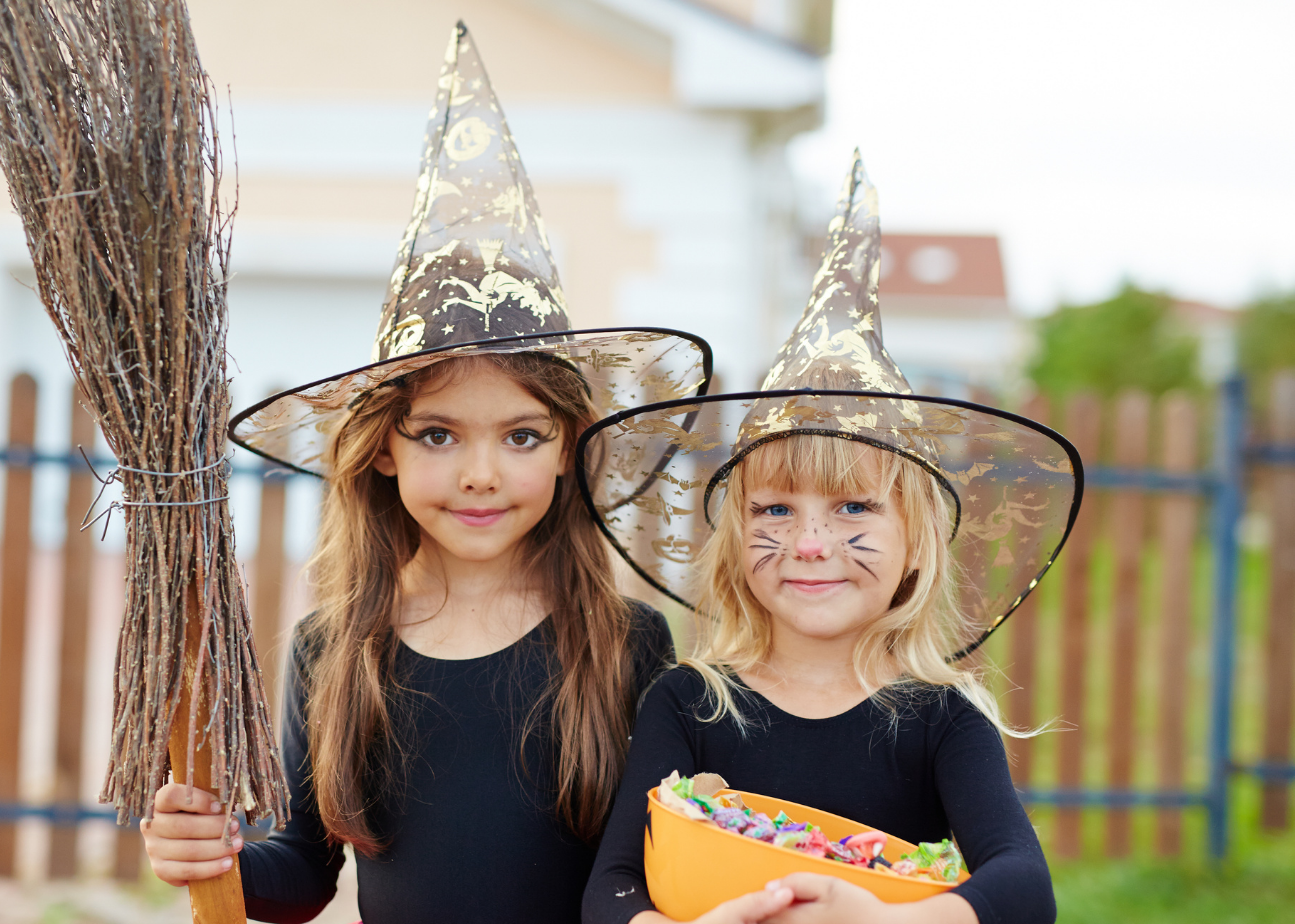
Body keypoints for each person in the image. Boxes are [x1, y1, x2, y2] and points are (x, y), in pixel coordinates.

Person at [142, 22, 713, 924]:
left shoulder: (627, 643)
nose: (481, 474)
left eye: (522, 437)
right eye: (440, 435)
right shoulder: (336, 648)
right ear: (383, 449)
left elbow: (648, 874)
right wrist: (212, 862)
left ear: (570, 447)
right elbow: (302, 872)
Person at [576, 153, 1080, 924]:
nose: (811, 544)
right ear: (735, 538)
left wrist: (883, 920)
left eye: (853, 509)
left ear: (915, 541)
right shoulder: (690, 704)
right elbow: (611, 889)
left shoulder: (942, 718)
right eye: (775, 511)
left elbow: (1023, 890)